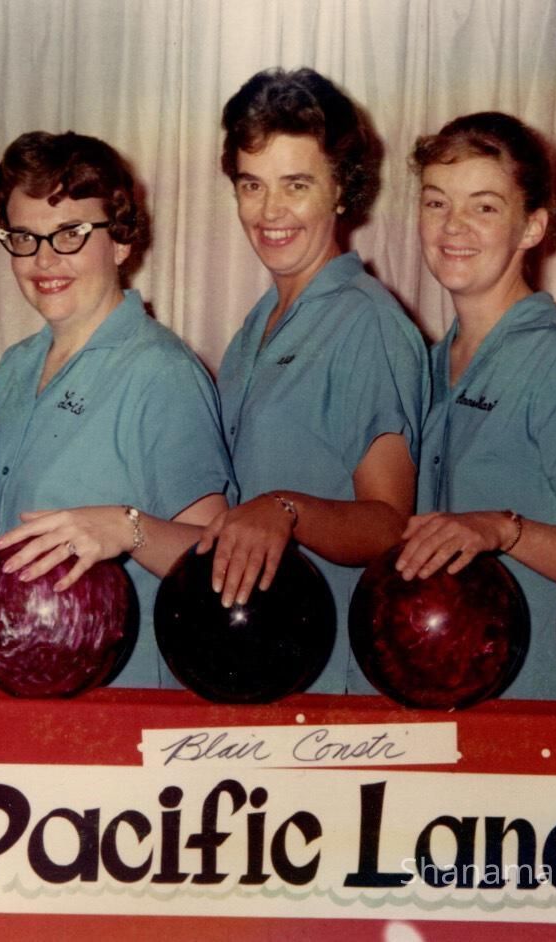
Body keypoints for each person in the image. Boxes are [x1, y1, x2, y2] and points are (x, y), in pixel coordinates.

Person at [199, 68, 429, 694]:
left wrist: (286, 509)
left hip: (335, 674)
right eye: (252, 185)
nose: (269, 211)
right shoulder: (257, 325)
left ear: (341, 190)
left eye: (295, 185)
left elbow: (389, 524)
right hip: (259, 658)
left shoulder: (366, 322)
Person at [395, 112, 556, 700]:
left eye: (484, 207)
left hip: (536, 700)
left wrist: (503, 530)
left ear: (532, 228)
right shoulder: (431, 360)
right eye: (436, 202)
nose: (453, 226)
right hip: (446, 688)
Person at [0, 131, 232, 688]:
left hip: (121, 691)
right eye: (24, 237)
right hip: (19, 682)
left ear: (121, 240)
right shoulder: (14, 367)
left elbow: (213, 564)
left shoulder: (162, 372)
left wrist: (128, 528)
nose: (44, 259)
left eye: (70, 234)